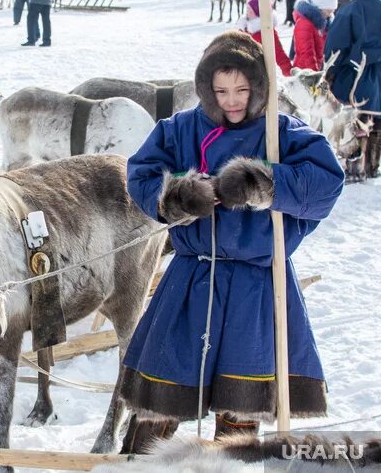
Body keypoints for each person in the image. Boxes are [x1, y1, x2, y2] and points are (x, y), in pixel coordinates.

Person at [119, 30, 344, 454]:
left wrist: (264, 182)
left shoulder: (282, 131)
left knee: (242, 399)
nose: (232, 100)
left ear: (260, 87)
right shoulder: (181, 128)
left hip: (256, 285)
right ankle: (137, 462)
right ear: (206, 89)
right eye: (220, 90)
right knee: (163, 389)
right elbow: (141, 175)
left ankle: (233, 463)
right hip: (192, 279)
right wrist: (176, 196)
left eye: (242, 89)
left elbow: (327, 184)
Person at [324, 0, 381, 179]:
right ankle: (372, 167)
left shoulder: (350, 10)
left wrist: (330, 73)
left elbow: (335, 48)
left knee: (354, 120)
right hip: (378, 78)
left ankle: (354, 168)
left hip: (355, 78)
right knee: (376, 121)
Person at [239, 0, 293, 76]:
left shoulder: (267, 31)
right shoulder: (245, 28)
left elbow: (279, 54)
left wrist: (289, 73)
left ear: (257, 11)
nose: (247, 12)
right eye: (247, 8)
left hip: (260, 73)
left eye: (249, 9)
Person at [292, 0, 337, 70]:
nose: (329, 15)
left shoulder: (324, 23)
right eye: (328, 11)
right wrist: (314, 74)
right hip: (305, 72)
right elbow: (307, 52)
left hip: (318, 68)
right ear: (319, 8)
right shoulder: (304, 23)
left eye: (332, 12)